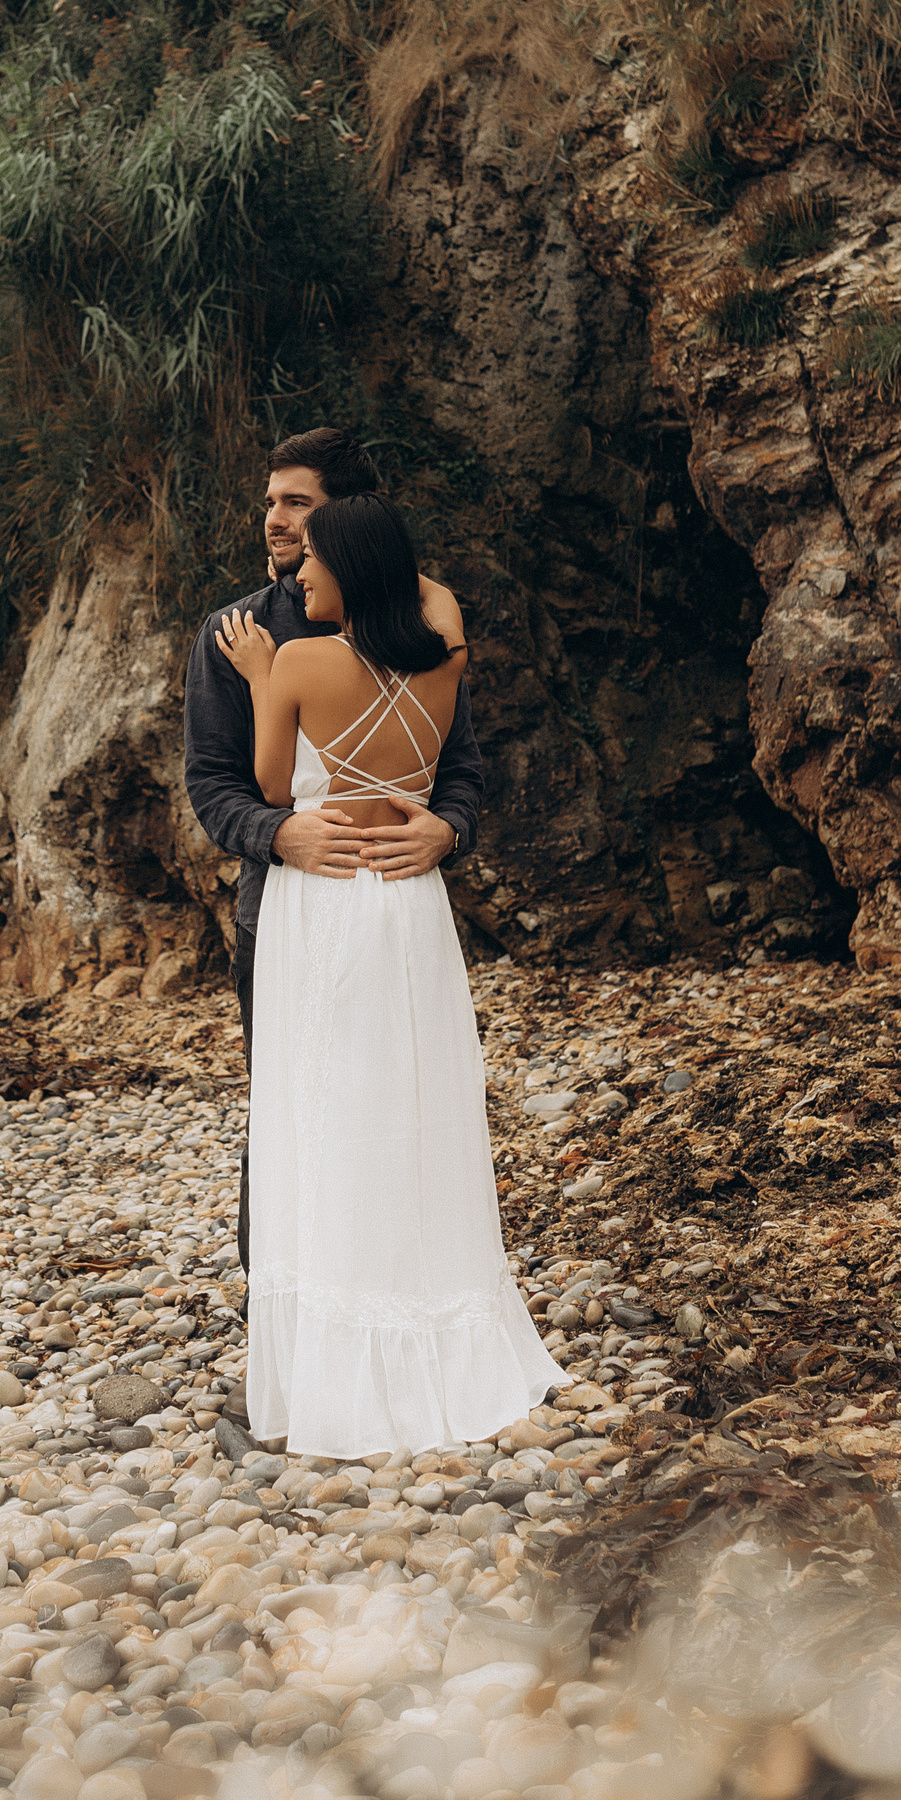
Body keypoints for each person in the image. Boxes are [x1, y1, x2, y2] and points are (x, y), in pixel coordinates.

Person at [215, 493, 558, 1457]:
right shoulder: (442, 661)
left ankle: (339, 1364)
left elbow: (272, 788)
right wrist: (385, 560)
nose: (297, 577)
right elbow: (436, 599)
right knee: (409, 1104)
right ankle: (429, 1335)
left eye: (314, 561)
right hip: (408, 903)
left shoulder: (295, 661)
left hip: (322, 901)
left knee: (323, 1107)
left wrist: (259, 678)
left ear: (351, 571)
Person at [183, 428, 483, 1268]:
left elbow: (461, 768)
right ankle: (279, 1305)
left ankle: (395, 1287)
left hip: (390, 892)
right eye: (270, 503)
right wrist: (279, 832)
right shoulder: (231, 631)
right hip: (280, 909)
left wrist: (448, 828)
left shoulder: (415, 624)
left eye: (298, 505)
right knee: (291, 1109)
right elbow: (213, 784)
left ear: (346, 518)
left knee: (399, 1101)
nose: (276, 521)